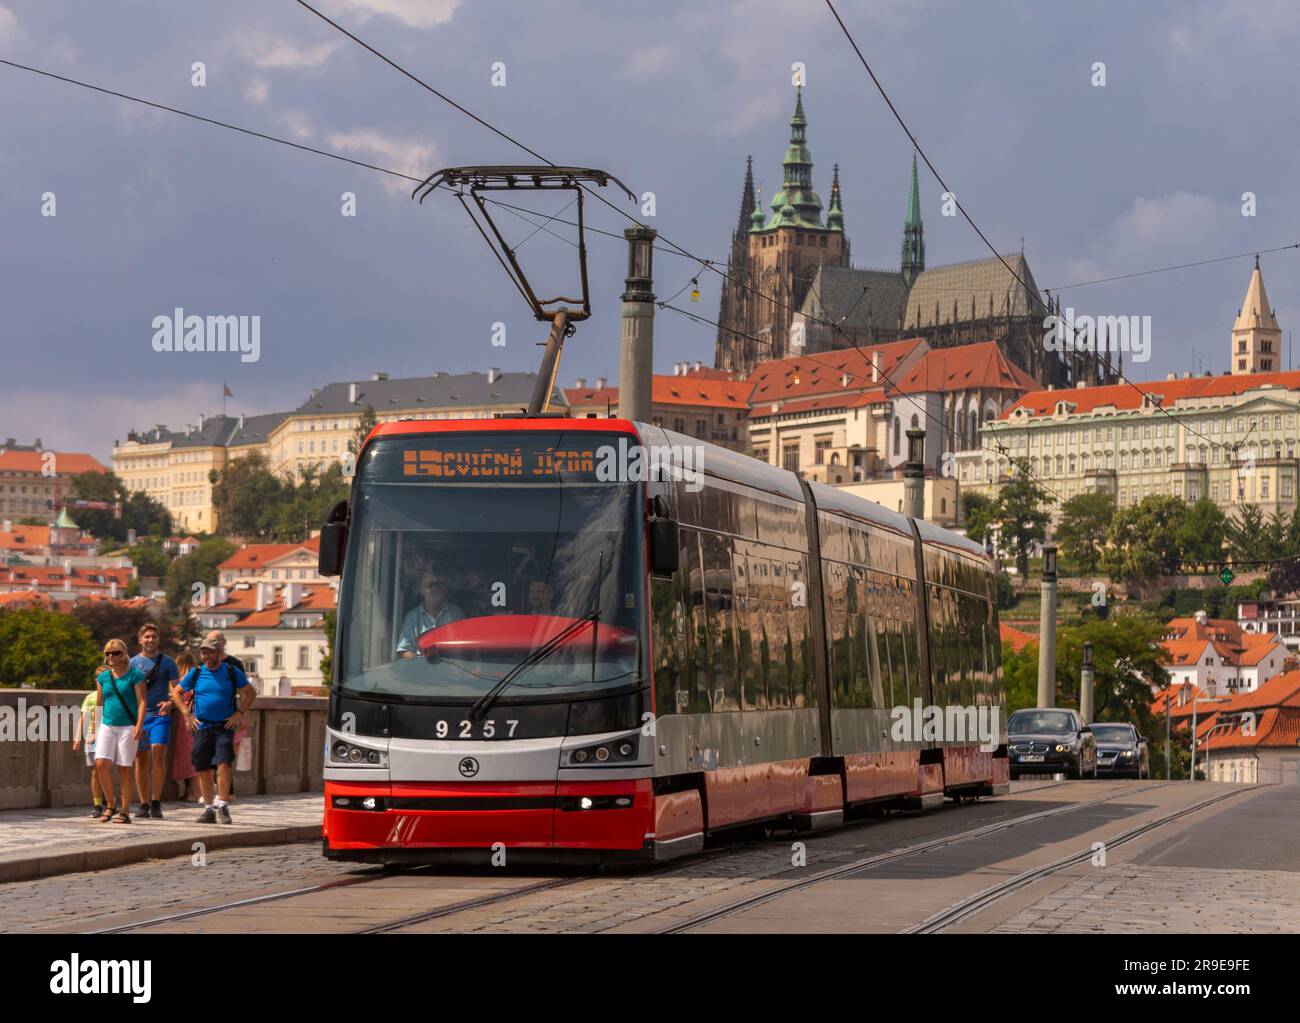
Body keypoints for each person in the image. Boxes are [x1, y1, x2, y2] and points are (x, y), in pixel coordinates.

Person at [176, 632, 256, 824]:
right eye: (203, 653)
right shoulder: (196, 673)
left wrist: (239, 713)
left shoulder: (230, 671)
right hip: (202, 726)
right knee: (202, 768)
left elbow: (250, 693)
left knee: (224, 764)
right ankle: (208, 808)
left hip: (223, 726)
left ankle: (223, 805)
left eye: (210, 653)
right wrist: (187, 714)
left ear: (218, 652)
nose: (206, 657)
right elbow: (177, 692)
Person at [93, 639, 147, 823]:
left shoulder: (135, 675)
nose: (110, 656)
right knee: (100, 763)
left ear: (123, 654)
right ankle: (110, 804)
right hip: (108, 724)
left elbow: (142, 702)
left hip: (128, 726)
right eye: (107, 653)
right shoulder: (103, 677)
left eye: (115, 653)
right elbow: (99, 704)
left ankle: (124, 811)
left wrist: (139, 725)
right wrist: (93, 728)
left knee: (124, 768)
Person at [130, 623, 179, 819]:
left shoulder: (167, 662)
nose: (150, 640)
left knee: (158, 753)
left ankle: (156, 801)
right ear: (140, 639)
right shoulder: (132, 663)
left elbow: (178, 690)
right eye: (147, 637)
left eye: (154, 637)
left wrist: (170, 703)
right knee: (140, 759)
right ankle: (143, 803)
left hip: (159, 716)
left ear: (158, 639)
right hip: (140, 717)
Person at [395, 573, 465, 658]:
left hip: (451, 668)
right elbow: (404, 650)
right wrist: (420, 665)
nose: (434, 589)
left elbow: (464, 647)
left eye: (438, 585)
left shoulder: (456, 614)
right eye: (430, 585)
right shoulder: (412, 617)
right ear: (421, 590)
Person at [72, 666, 107, 818]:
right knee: (95, 772)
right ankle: (97, 804)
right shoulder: (90, 697)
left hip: (107, 736)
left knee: (105, 770)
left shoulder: (113, 696)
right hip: (92, 738)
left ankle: (109, 801)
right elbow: (83, 718)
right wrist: (77, 737)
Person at [170, 650, 200, 802]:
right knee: (192, 757)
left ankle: (193, 793)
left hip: (186, 720)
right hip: (195, 718)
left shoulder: (183, 680)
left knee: (189, 757)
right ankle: (192, 791)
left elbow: (176, 696)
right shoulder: (197, 676)